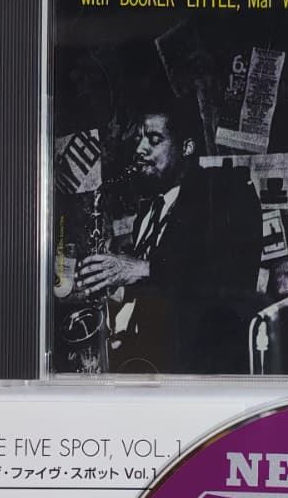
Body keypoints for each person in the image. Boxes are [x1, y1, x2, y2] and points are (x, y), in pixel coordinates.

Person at [76, 103, 262, 373]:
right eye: (139, 139)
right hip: (154, 362)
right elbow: (160, 289)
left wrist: (140, 269)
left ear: (187, 147)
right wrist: (111, 287)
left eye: (154, 139)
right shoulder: (150, 209)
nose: (140, 149)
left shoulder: (227, 192)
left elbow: (227, 279)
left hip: (203, 369)